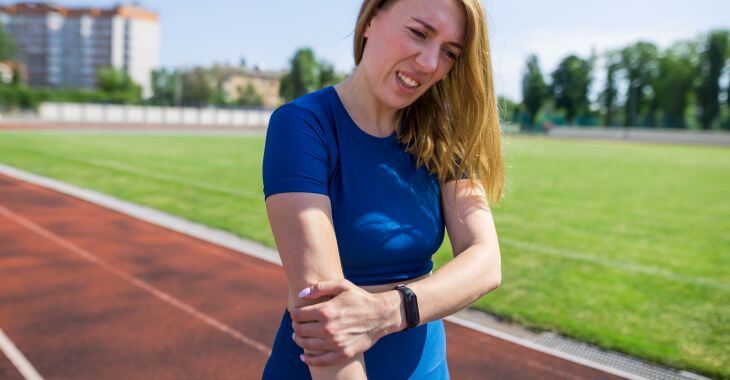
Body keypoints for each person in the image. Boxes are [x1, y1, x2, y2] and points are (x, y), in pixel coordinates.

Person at [261, 0, 504, 378]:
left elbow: (485, 261)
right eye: (419, 33)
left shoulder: (442, 137)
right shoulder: (302, 125)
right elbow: (325, 320)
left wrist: (388, 311)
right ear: (371, 20)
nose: (429, 63)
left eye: (449, 53)